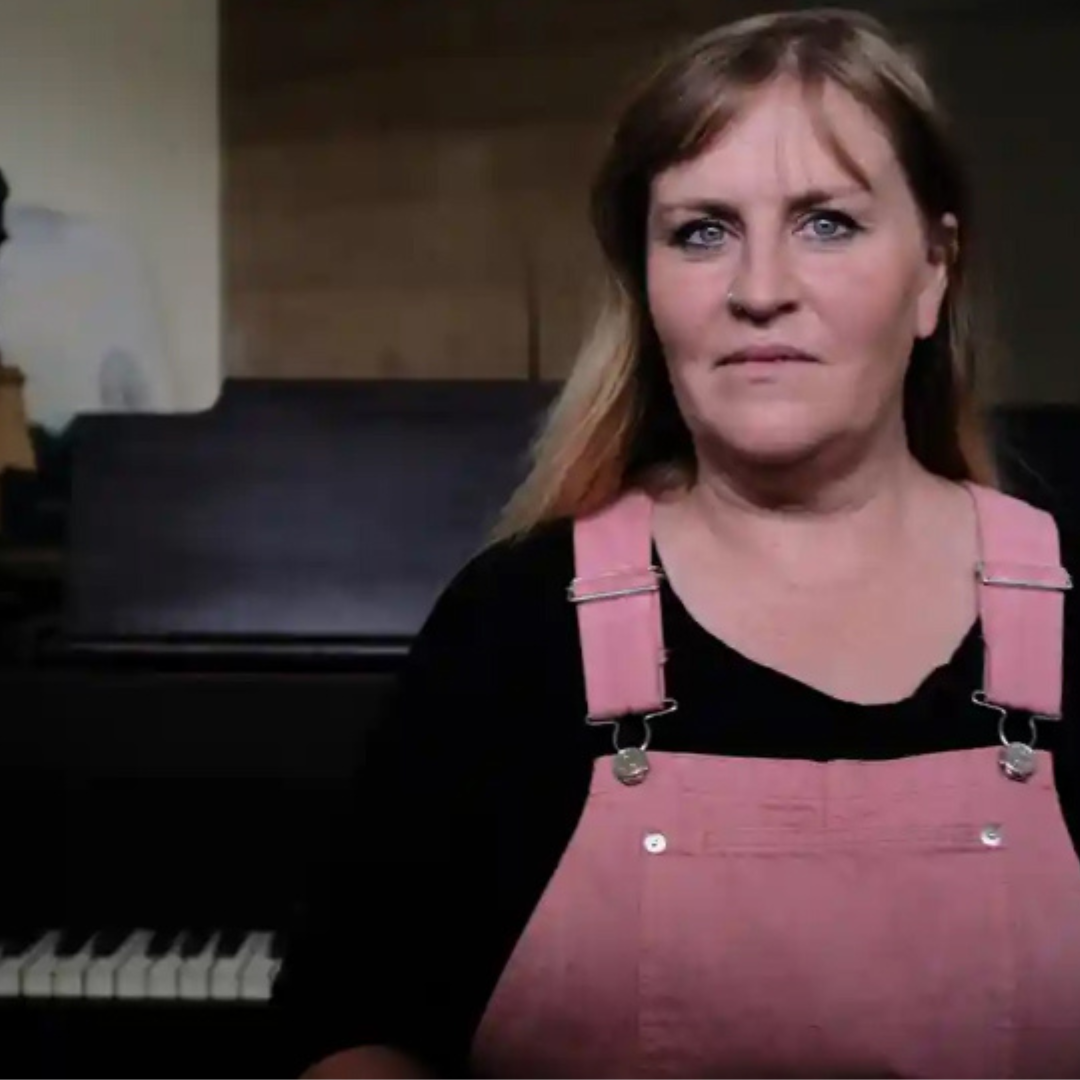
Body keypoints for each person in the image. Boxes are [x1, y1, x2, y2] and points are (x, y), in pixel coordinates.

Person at [270, 7, 1080, 1078]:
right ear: (647, 287)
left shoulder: (1071, 608)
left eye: (826, 222)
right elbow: (350, 1023)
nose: (758, 289)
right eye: (701, 231)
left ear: (933, 270)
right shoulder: (516, 622)